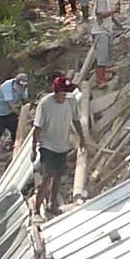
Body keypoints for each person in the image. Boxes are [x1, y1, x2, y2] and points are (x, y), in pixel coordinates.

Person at [32, 75, 87, 218]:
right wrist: (33, 149)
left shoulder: (71, 101)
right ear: (56, 92)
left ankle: (53, 204)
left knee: (57, 176)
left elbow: (76, 120)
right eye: (62, 93)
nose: (64, 96)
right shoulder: (45, 104)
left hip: (62, 145)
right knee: (47, 177)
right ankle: (37, 209)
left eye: (66, 93)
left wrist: (82, 138)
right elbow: (37, 128)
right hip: (47, 145)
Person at [0, 73, 29, 157]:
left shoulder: (24, 88)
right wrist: (21, 114)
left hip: (8, 113)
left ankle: (14, 147)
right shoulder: (6, 86)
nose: (21, 89)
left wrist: (26, 110)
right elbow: (10, 104)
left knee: (16, 128)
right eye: (19, 87)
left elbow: (25, 100)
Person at [91, 0, 125, 88]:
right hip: (100, 31)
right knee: (101, 57)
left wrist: (119, 24)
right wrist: (114, 11)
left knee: (105, 56)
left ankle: (104, 76)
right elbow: (100, 15)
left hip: (107, 30)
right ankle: (100, 80)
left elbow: (110, 16)